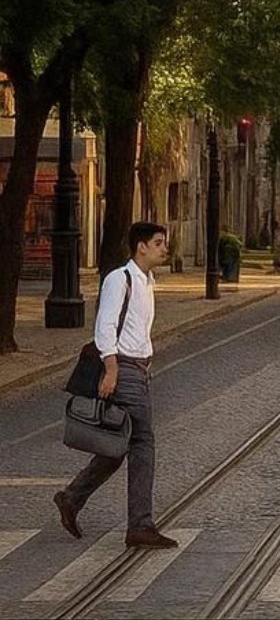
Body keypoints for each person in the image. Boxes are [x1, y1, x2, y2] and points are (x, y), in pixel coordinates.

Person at [54, 222, 179, 549]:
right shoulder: (119, 280)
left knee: (117, 445)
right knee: (142, 445)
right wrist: (111, 369)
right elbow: (105, 327)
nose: (164, 248)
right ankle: (140, 526)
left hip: (137, 371)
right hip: (123, 370)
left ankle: (71, 497)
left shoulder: (146, 281)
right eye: (159, 243)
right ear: (141, 246)